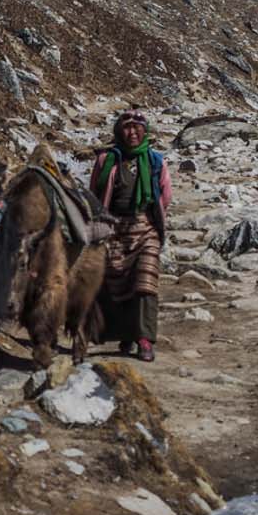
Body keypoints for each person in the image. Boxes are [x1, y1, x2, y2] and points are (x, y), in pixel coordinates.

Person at [90, 109, 171, 361]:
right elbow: (94, 194)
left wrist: (150, 219)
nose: (132, 132)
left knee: (145, 282)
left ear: (145, 132)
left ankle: (145, 340)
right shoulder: (106, 161)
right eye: (127, 127)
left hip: (144, 228)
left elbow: (164, 197)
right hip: (113, 229)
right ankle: (125, 334)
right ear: (118, 131)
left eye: (138, 127)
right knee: (115, 281)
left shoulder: (156, 161)